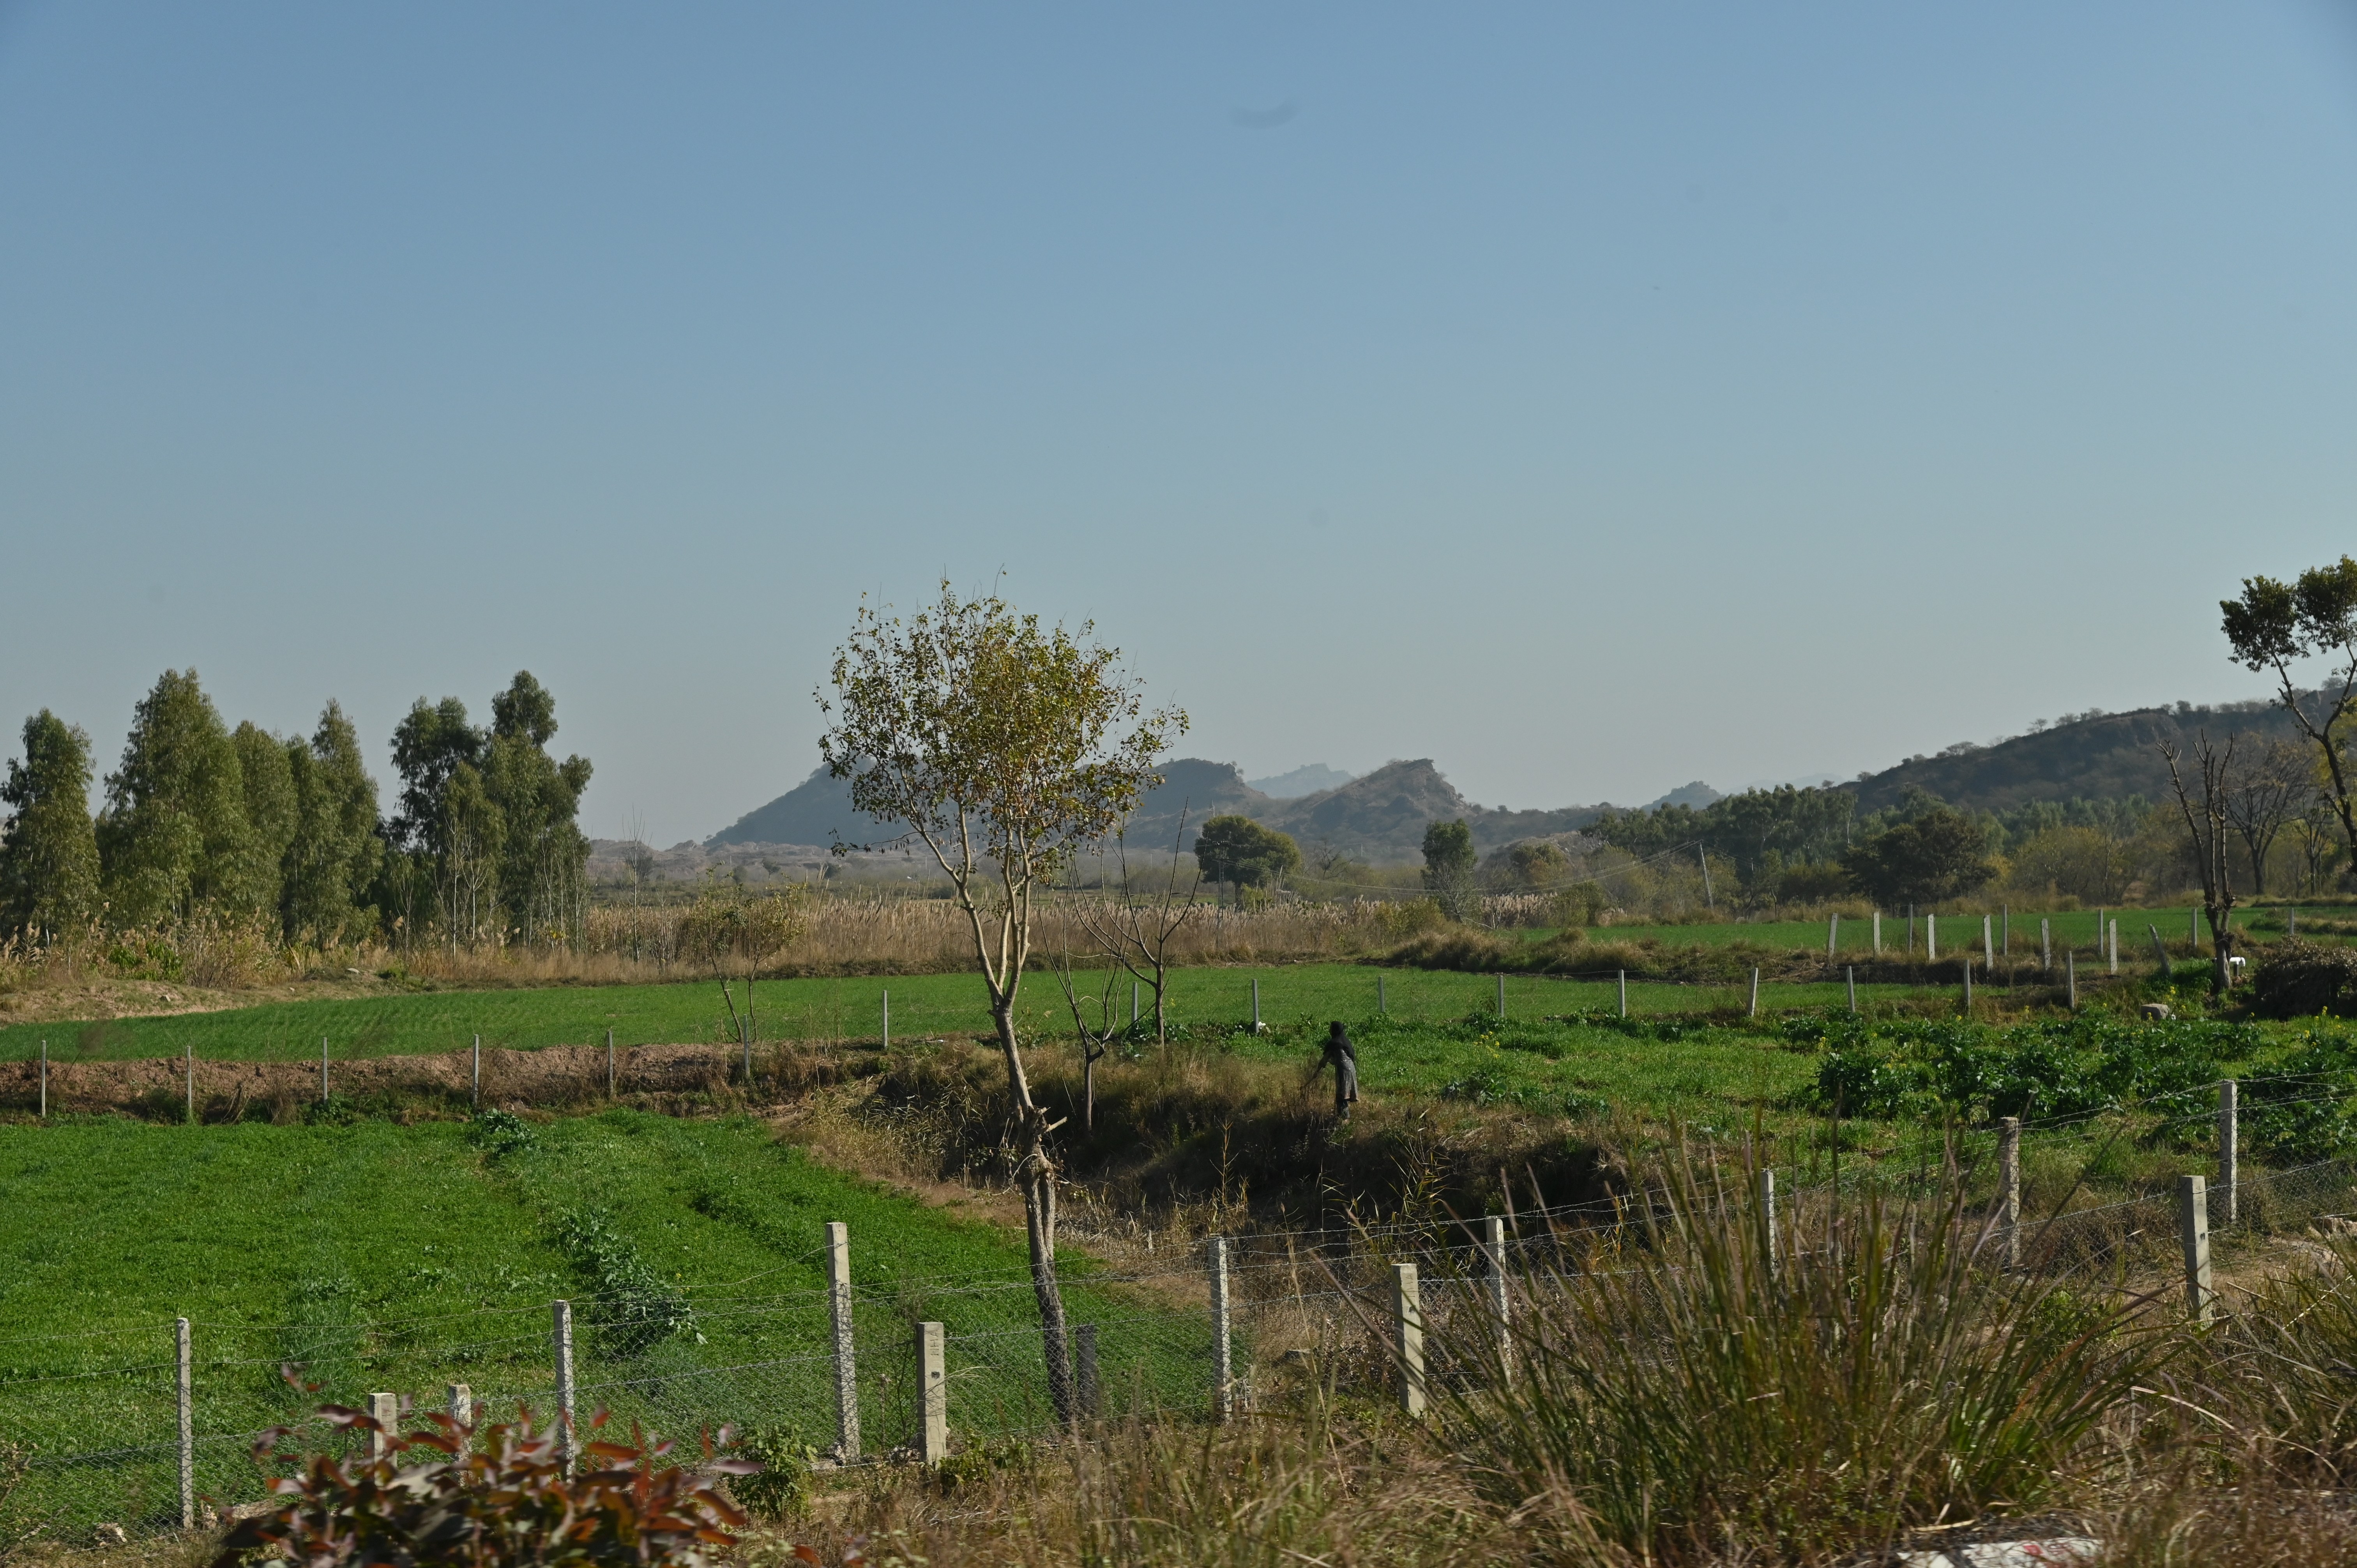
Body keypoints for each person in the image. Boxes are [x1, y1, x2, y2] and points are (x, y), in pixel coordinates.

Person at [1311, 1020, 1359, 1121]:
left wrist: (1317, 1071)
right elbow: (1340, 1058)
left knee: (1342, 1097)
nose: (1329, 1031)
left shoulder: (1334, 1043)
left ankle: (1344, 1120)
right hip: (1351, 1069)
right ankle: (1343, 1118)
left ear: (1334, 1030)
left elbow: (1324, 1059)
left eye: (1331, 1029)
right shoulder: (1345, 1041)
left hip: (1344, 1071)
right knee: (1344, 1095)